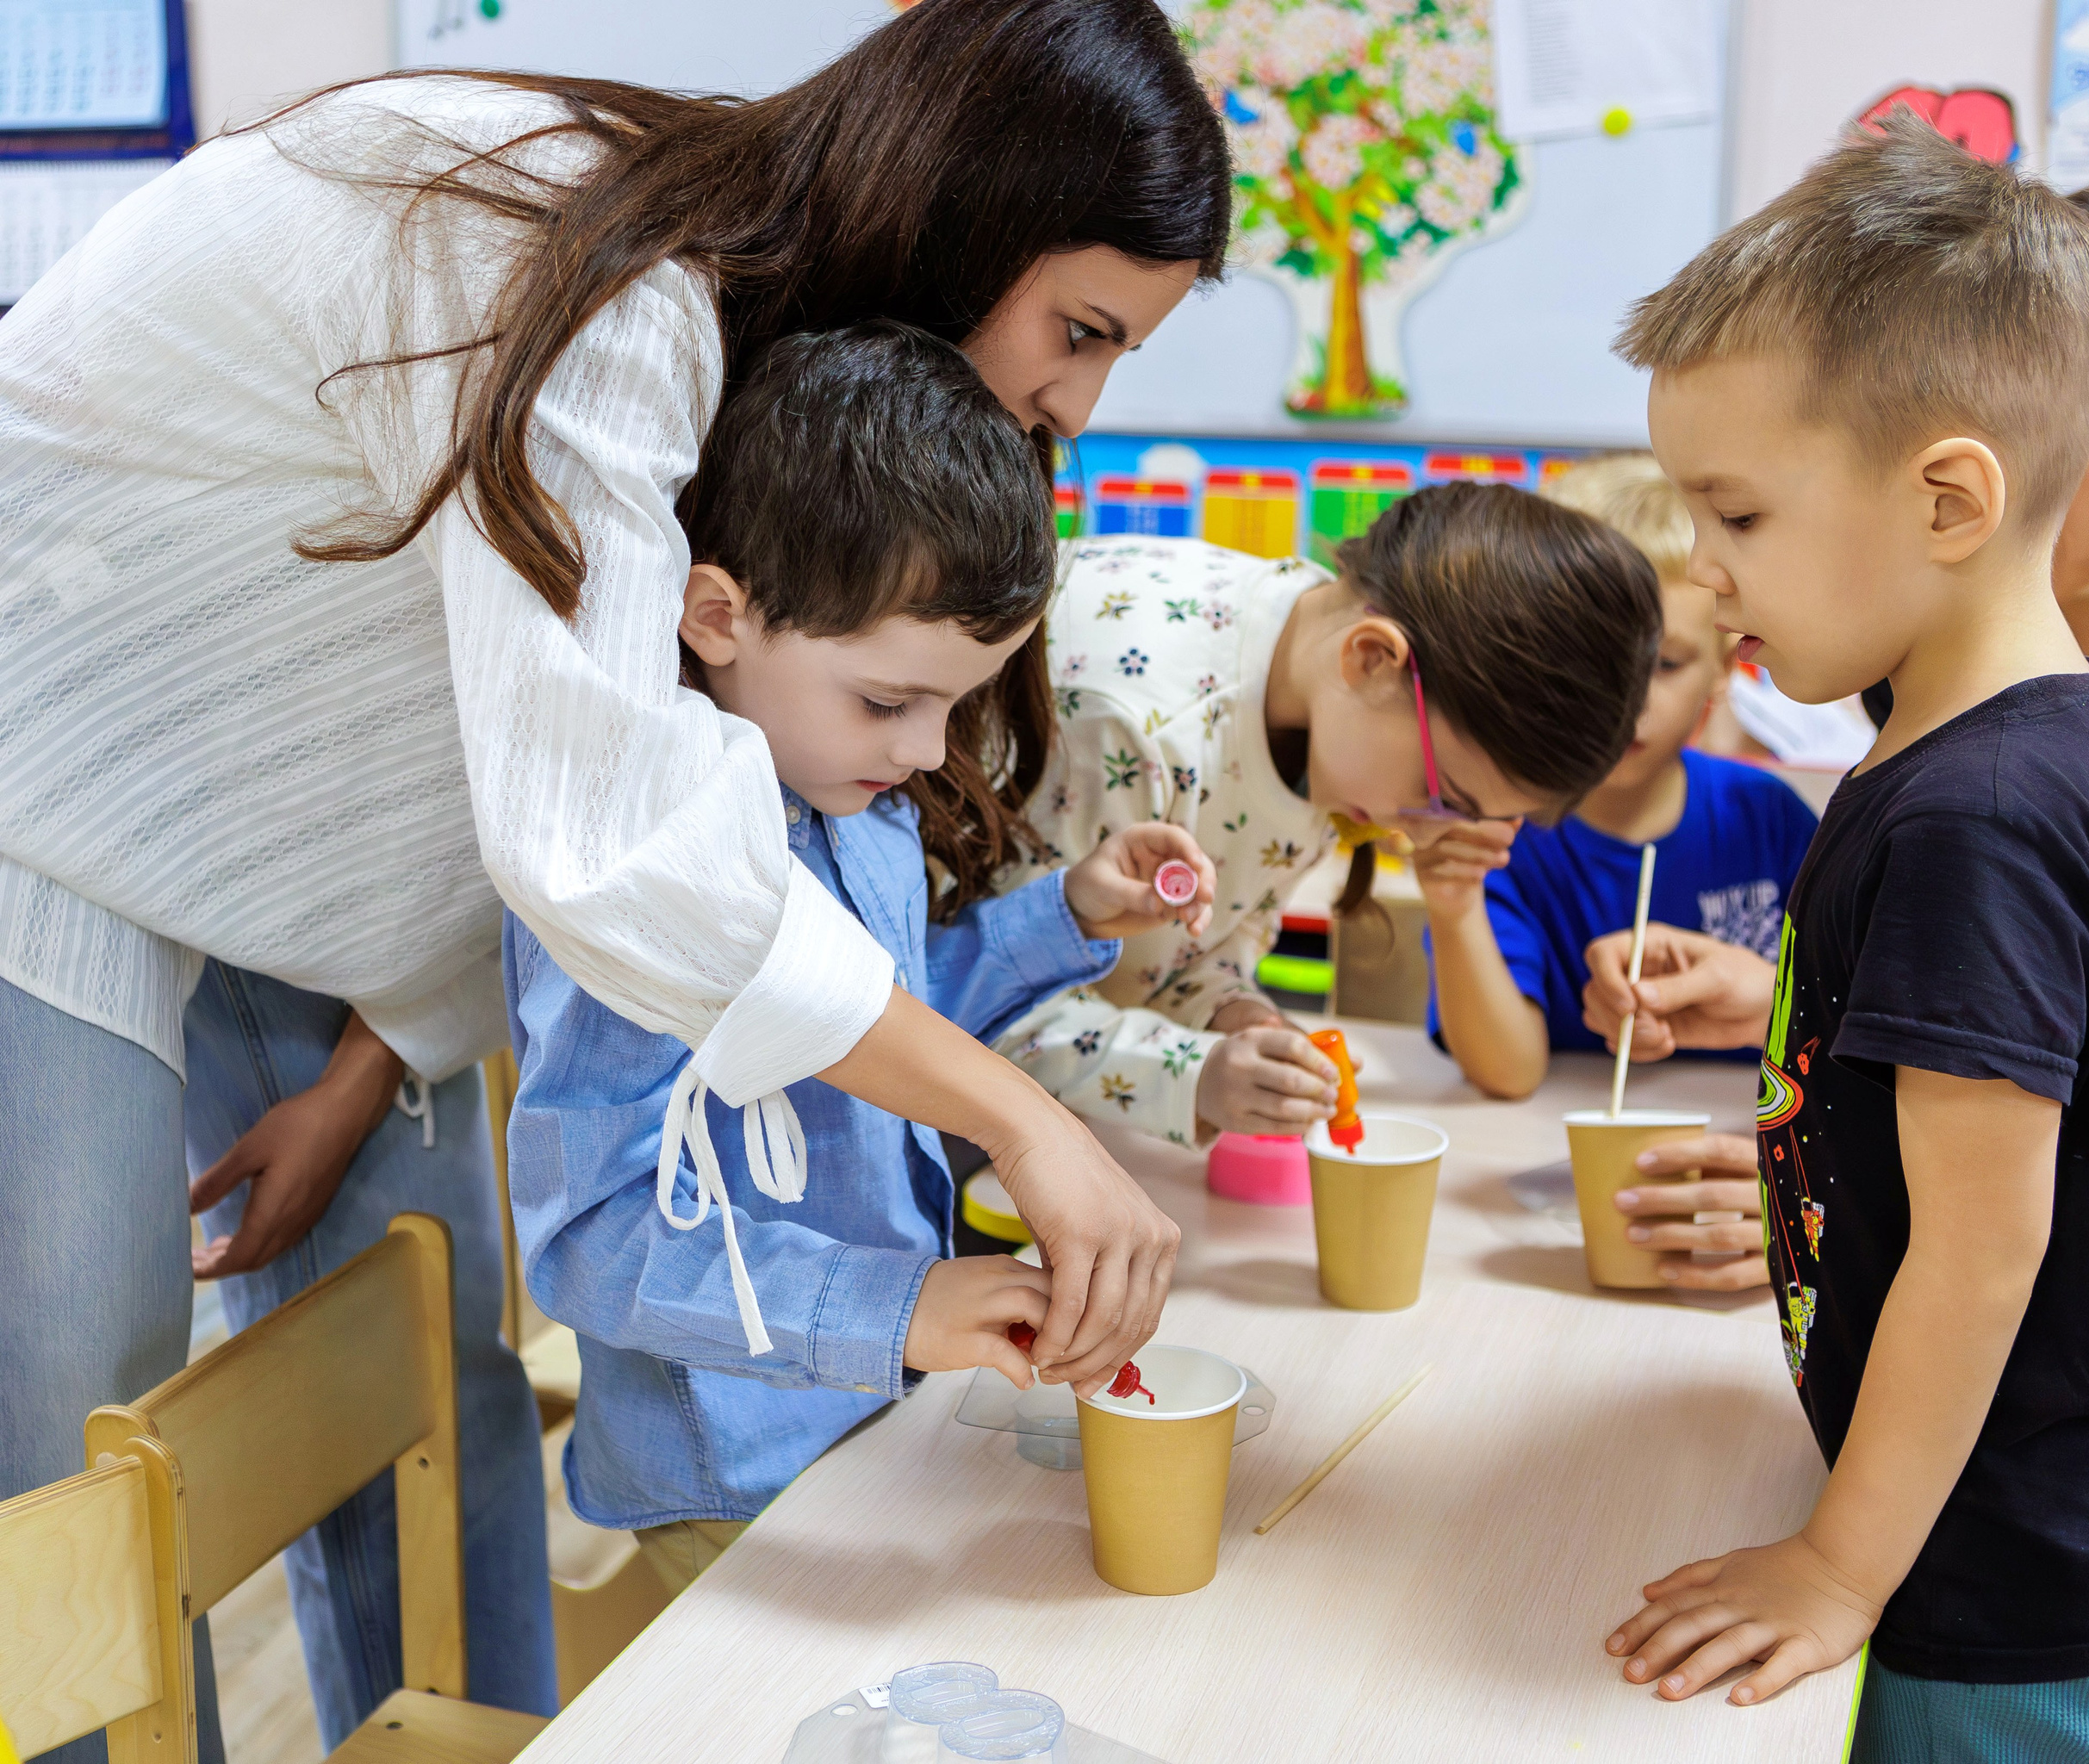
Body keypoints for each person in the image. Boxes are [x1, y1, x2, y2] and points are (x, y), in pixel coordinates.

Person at [0, 5, 1225, 1754]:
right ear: (960, 211)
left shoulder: (766, 424)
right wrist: (1021, 1127)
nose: (1068, 403)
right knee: (71, 1451)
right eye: (1077, 329)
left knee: (433, 1378)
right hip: (44, 772)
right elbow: (605, 833)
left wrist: (369, 1057)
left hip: (295, 852)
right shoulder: (610, 281)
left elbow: (529, 771)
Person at [1598, 115, 2089, 1759]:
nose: (1711, 578)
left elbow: (1983, 1246)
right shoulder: (2012, 729)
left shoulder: (1978, 816)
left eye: (1737, 517)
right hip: (2014, 1499)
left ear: (1948, 498)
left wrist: (1838, 1564)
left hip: (1998, 1567)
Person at [505, 324, 1209, 1593]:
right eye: (891, 702)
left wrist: (1064, 917)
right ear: (717, 616)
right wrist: (899, 1307)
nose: (933, 752)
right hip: (735, 1465)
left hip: (877, 1412)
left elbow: (895, 1027)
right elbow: (592, 1236)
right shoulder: (621, 881)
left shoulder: (860, 803)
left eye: (957, 703)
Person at [996, 488, 1663, 1147]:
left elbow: (1183, 947)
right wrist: (1189, 1077)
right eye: (1442, 798)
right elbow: (976, 994)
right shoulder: (1130, 721)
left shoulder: (1323, 693)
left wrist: (1235, 1018)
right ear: (1372, 659)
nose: (1420, 834)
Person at [1416, 453, 1817, 1106]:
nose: (1626, 700)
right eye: (1592, 661)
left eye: (1664, 663)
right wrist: (1453, 906)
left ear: (1723, 668)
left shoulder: (1769, 820)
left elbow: (1854, 1027)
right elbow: (1507, 1073)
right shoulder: (1502, 831)